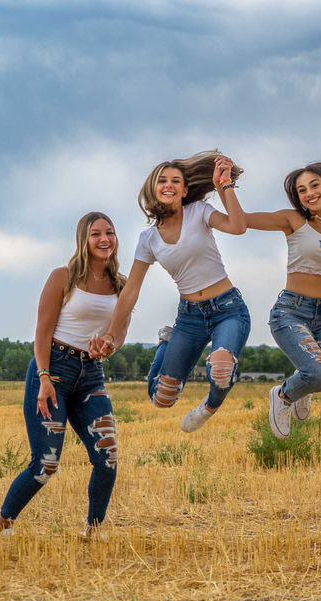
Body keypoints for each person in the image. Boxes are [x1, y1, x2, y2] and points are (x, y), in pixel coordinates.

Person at [217, 161, 321, 438]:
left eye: (314, 185)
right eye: (301, 190)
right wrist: (224, 185)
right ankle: (283, 396)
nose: (309, 193)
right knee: (319, 372)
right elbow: (241, 220)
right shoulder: (293, 220)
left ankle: (304, 385)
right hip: (291, 312)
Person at [0, 212, 126, 541]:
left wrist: (107, 346)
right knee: (46, 464)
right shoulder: (62, 276)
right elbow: (42, 332)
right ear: (83, 239)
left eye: (110, 232)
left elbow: (118, 335)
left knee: (107, 456)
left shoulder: (121, 284)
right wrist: (45, 377)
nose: (104, 239)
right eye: (96, 234)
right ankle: (1, 523)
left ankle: (94, 529)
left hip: (91, 375)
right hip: (53, 371)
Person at [89, 151, 250, 434]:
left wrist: (224, 184)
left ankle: (208, 407)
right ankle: (166, 341)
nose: (169, 185)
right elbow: (131, 290)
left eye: (176, 180)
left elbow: (238, 226)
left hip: (228, 309)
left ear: (184, 190)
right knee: (161, 398)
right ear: (153, 189)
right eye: (162, 180)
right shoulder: (148, 239)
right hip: (189, 318)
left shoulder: (199, 212)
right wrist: (111, 335)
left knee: (221, 370)